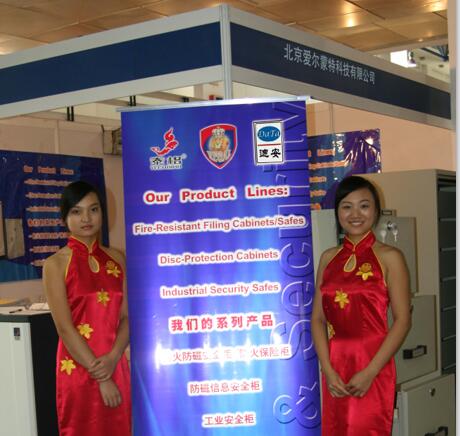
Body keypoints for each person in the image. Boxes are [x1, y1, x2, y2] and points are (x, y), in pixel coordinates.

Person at [311, 175, 411, 435]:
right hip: (335, 363)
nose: (355, 214)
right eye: (347, 206)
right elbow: (317, 319)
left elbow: (402, 320)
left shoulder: (390, 257)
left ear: (376, 211)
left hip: (373, 362)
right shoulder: (328, 258)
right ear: (337, 212)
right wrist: (327, 370)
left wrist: (371, 372)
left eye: (364, 206)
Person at [43, 181, 131, 436]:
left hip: (115, 363)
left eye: (93, 209)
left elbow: (127, 317)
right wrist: (102, 377)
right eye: (76, 211)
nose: (86, 218)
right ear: (64, 218)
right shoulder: (55, 265)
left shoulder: (118, 259)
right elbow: (64, 328)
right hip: (79, 368)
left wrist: (113, 358)